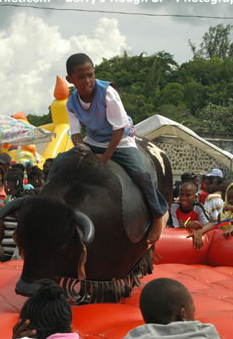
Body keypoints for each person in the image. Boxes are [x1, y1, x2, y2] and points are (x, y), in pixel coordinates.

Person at [64, 53, 168, 245]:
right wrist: (83, 150)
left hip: (120, 140)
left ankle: (156, 216)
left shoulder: (108, 93)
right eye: (81, 77)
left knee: (141, 175)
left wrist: (104, 158)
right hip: (93, 139)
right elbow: (75, 134)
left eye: (90, 75)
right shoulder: (71, 102)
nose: (87, 81)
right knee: (63, 161)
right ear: (70, 80)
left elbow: (118, 128)